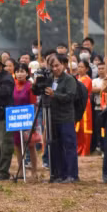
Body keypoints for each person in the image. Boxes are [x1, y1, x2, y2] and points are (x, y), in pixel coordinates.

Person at [45, 53, 79, 183]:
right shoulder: (49, 79)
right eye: (53, 66)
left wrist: (55, 95)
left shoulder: (69, 79)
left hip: (66, 118)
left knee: (69, 146)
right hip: (52, 118)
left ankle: (72, 175)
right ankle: (59, 173)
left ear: (63, 65)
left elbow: (70, 97)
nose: (55, 69)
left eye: (57, 65)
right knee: (56, 146)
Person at [12, 63, 40, 180]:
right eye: (17, 71)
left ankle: (34, 171)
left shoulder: (30, 86)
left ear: (27, 73)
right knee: (17, 145)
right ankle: (20, 170)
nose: (20, 74)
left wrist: (33, 122)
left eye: (22, 71)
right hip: (15, 119)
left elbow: (34, 104)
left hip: (28, 118)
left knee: (31, 145)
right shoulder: (12, 85)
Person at [75, 61, 93, 156]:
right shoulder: (77, 78)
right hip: (77, 104)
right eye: (79, 66)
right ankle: (78, 148)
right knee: (78, 127)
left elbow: (82, 91)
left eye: (82, 67)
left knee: (85, 127)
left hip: (85, 104)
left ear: (86, 69)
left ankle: (85, 150)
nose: (80, 68)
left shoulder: (87, 79)